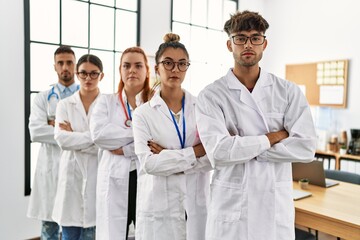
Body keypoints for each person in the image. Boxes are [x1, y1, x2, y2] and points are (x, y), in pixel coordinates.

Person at [195, 10, 317, 240]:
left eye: (255, 37)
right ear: (230, 45)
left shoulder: (287, 92)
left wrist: (241, 148)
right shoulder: (211, 96)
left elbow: (306, 146)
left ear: (264, 43)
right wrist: (272, 137)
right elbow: (219, 152)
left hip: (274, 205)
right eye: (240, 38)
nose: (248, 44)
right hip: (232, 209)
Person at [132, 33, 212, 240]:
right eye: (168, 63)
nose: (175, 69)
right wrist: (195, 151)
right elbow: (150, 165)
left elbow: (212, 158)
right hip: (159, 208)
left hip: (195, 204)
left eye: (181, 64)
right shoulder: (143, 114)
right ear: (157, 67)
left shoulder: (202, 108)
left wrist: (168, 156)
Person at [89, 46, 152, 240]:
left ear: (147, 71)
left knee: (148, 231)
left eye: (138, 65)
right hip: (114, 178)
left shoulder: (156, 103)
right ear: (120, 71)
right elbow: (99, 135)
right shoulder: (105, 102)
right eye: (127, 65)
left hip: (147, 177)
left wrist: (125, 149)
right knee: (113, 232)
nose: (132, 70)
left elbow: (160, 140)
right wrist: (140, 135)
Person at [27, 46, 79, 240]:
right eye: (60, 63)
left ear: (75, 65)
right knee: (49, 230)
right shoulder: (43, 98)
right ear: (55, 66)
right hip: (51, 170)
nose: (65, 67)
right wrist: (72, 131)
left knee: (77, 228)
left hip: (78, 169)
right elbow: (36, 132)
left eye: (69, 62)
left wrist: (54, 125)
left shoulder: (87, 96)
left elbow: (93, 134)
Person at [53, 54, 104, 240]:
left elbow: (106, 143)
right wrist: (94, 139)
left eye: (93, 74)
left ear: (102, 76)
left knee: (92, 234)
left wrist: (74, 133)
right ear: (77, 74)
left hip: (97, 177)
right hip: (71, 182)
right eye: (83, 73)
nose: (88, 78)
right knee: (69, 235)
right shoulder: (64, 105)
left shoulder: (107, 104)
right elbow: (61, 139)